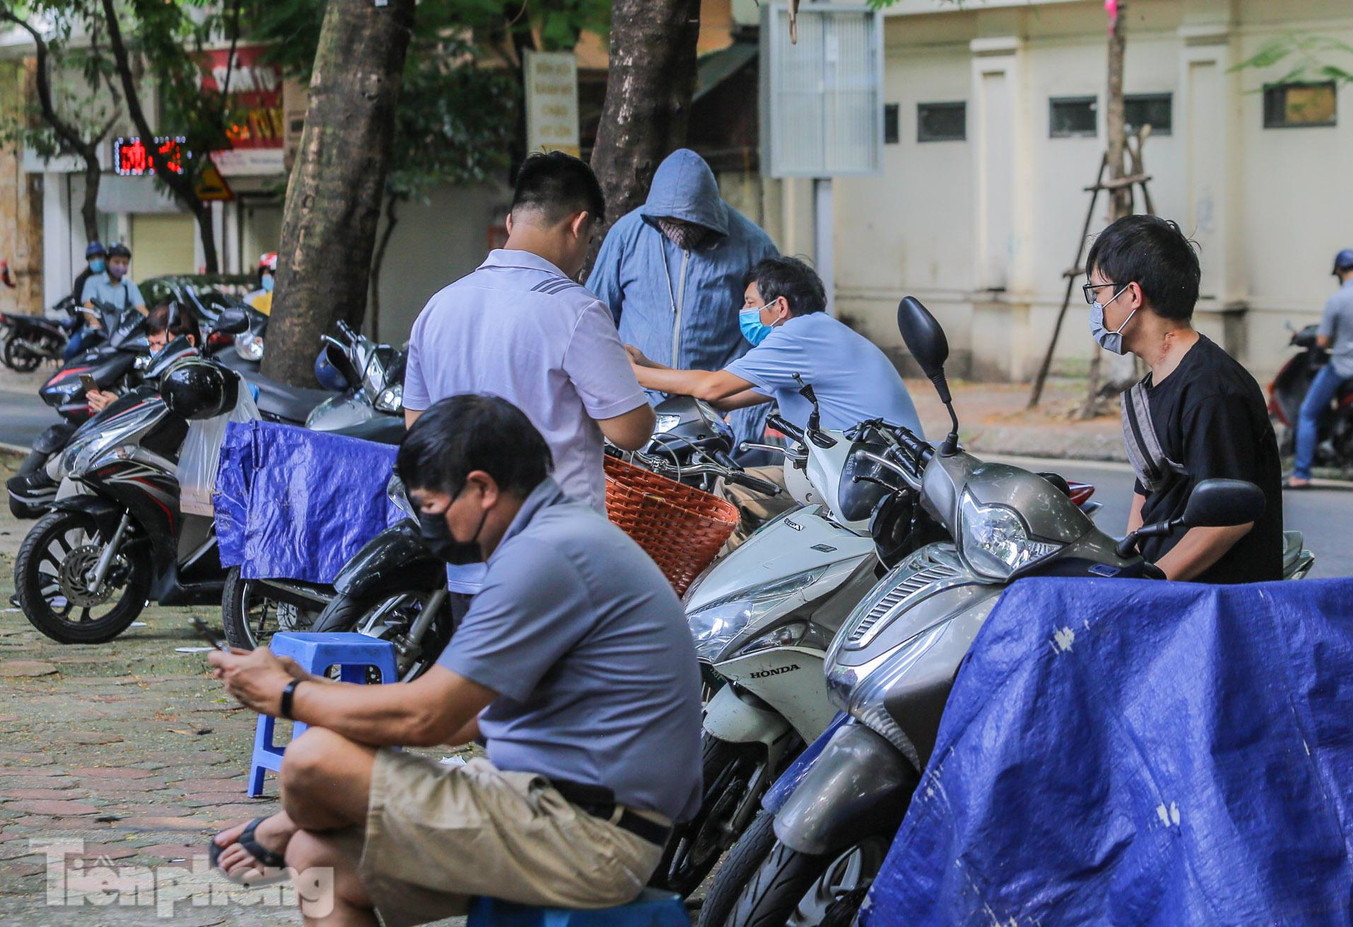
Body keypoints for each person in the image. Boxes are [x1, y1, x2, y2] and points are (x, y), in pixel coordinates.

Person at [207, 395, 703, 927]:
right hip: (554, 808)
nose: (428, 524)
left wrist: (287, 697)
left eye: (431, 507)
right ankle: (286, 832)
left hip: (587, 833)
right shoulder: (555, 538)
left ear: (482, 489)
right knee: (318, 863)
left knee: (312, 761)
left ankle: (280, 829)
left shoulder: (546, 555)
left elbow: (428, 718)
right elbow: (465, 717)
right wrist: (307, 683)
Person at [402, 151, 655, 618]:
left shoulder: (438, 307)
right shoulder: (576, 311)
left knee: (486, 693)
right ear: (579, 225)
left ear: (511, 219)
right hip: (556, 563)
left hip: (468, 561)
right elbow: (631, 431)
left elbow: (418, 430)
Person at [627, 256, 922, 537]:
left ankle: (726, 589)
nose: (743, 312)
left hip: (863, 481)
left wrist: (628, 372)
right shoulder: (815, 338)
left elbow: (711, 387)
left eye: (750, 303)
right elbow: (722, 398)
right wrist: (646, 365)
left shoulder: (798, 335)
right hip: (869, 472)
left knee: (733, 494)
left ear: (779, 306)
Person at [1085, 214, 1282, 583]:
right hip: (1169, 599)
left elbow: (1229, 520)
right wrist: (1127, 562)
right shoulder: (1157, 384)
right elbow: (1150, 487)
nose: (1095, 309)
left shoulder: (1212, 391)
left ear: (1131, 295)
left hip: (1210, 607)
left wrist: (1152, 583)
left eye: (1097, 294)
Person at [588, 148, 779, 450]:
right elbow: (594, 320)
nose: (679, 230)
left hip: (718, 413)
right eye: (669, 220)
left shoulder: (752, 245)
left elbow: (771, 342)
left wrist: (743, 422)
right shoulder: (627, 235)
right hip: (638, 405)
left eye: (691, 222)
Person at [1285, 248, 1353, 489]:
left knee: (1308, 413)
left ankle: (1301, 473)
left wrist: (1338, 342)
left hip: (1344, 369)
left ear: (1340, 272)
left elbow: (1322, 341)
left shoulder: (1338, 300)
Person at [85, 300, 199, 414]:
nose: (154, 350)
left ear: (189, 341)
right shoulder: (153, 376)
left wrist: (119, 408)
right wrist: (116, 402)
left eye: (159, 344)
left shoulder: (194, 381)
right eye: (151, 344)